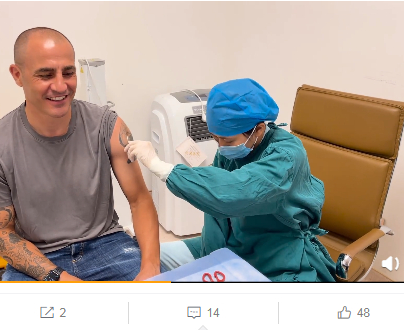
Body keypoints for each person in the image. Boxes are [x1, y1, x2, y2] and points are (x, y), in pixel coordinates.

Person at [0, 27, 160, 281]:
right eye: (45, 75)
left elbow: (139, 200)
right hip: (39, 257)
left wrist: (150, 268)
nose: (60, 86)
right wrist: (58, 278)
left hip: (108, 245)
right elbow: (0, 232)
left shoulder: (108, 125)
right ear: (17, 75)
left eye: (68, 73)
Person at [125, 78, 337, 282]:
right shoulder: (232, 150)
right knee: (141, 256)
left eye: (226, 140)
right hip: (231, 243)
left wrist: (160, 166)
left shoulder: (287, 156)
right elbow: (215, 198)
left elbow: (233, 193)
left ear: (258, 129)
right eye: (215, 138)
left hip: (276, 257)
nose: (220, 146)